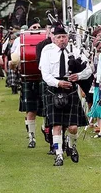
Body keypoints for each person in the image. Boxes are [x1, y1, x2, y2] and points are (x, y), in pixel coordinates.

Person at [39, 24, 91, 166]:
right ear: (54, 39)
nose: (62, 39)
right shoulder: (47, 51)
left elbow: (89, 69)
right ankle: (58, 154)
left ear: (68, 38)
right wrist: (58, 83)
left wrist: (78, 75)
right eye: (59, 37)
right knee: (57, 126)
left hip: (71, 89)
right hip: (54, 89)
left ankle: (72, 145)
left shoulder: (76, 50)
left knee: (73, 127)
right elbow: (45, 75)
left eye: (64, 37)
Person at [11, 18, 45, 148]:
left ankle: (45, 129)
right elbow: (15, 59)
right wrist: (13, 64)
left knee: (47, 108)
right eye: (33, 28)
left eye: (38, 27)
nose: (36, 30)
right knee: (30, 110)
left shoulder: (45, 39)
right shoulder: (21, 40)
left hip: (44, 78)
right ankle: (32, 137)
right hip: (28, 78)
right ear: (29, 29)